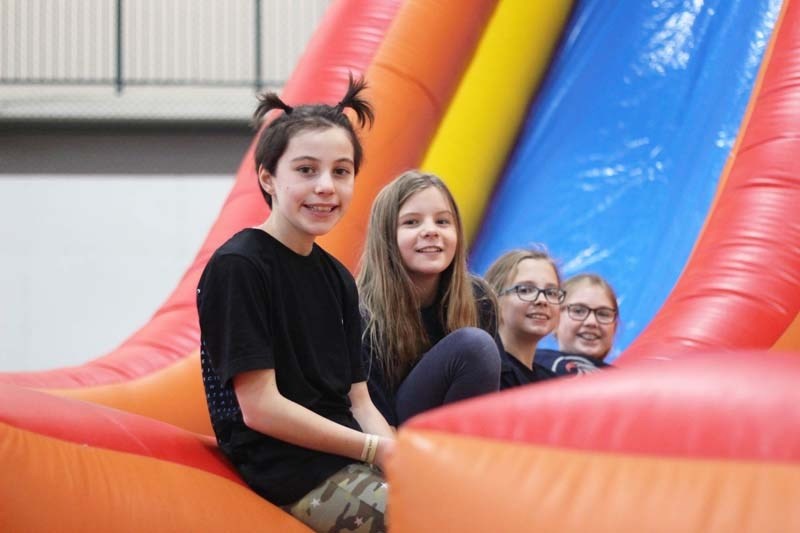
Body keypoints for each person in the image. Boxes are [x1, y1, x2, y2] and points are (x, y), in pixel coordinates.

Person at [197, 76, 395, 533]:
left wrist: (400, 455)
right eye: (306, 170)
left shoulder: (337, 278)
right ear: (268, 177)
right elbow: (260, 407)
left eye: (341, 172)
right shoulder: (239, 266)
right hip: (290, 473)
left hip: (345, 458)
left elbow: (359, 400)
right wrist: (372, 450)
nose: (326, 186)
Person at [358, 170, 501, 427]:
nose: (431, 231)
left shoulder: (479, 299)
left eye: (443, 222)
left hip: (457, 436)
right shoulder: (360, 311)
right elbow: (368, 412)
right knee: (473, 346)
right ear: (386, 237)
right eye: (412, 222)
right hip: (387, 436)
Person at [484, 249, 561, 390]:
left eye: (551, 292)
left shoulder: (553, 384)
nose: (542, 300)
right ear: (494, 299)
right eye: (525, 290)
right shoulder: (483, 371)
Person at [541, 273, 618, 375]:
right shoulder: (530, 369)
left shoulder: (628, 383)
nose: (591, 322)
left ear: (615, 327)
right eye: (578, 311)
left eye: (603, 314)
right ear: (555, 320)